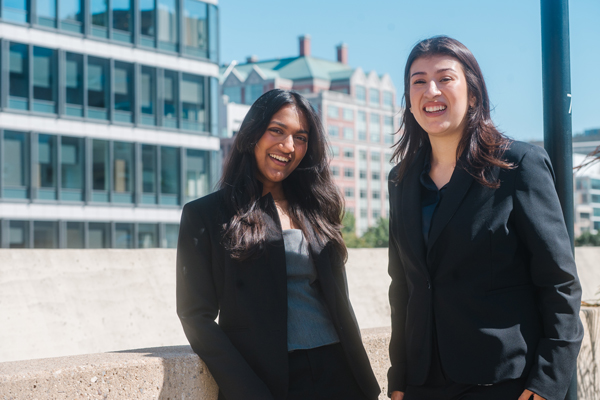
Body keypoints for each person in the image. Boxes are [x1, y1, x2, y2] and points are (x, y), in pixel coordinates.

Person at [387, 36, 583, 400]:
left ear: (473, 94)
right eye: (418, 81)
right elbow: (403, 288)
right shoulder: (400, 181)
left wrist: (545, 385)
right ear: (409, 101)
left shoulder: (518, 166)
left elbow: (559, 285)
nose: (431, 90)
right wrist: (398, 380)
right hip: (422, 385)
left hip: (505, 383)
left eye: (445, 78)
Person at [176, 89, 380, 400]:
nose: (288, 146)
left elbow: (340, 300)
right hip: (268, 381)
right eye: (277, 131)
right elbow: (195, 315)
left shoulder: (316, 207)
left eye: (301, 137)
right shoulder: (204, 214)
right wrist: (247, 391)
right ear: (252, 134)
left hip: (340, 373)